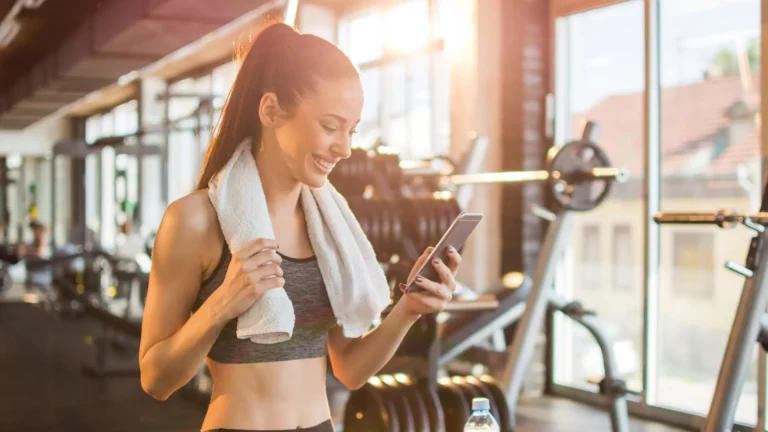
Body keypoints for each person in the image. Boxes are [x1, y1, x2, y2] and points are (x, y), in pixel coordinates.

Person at [139, 22, 463, 432]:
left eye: (351, 130)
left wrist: (408, 311)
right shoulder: (194, 221)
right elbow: (156, 380)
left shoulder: (330, 227)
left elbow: (349, 370)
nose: (344, 148)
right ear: (271, 110)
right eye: (330, 126)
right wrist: (222, 304)